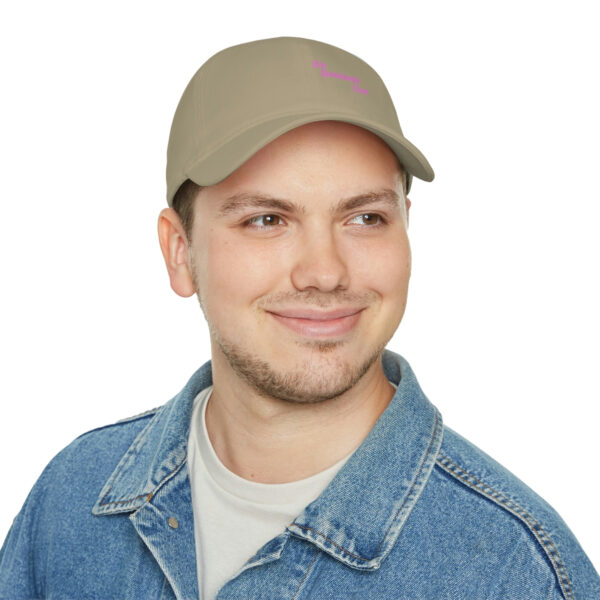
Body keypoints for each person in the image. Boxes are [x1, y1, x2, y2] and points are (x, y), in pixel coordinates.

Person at [0, 35, 598, 600]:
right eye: (267, 219)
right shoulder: (70, 502)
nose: (325, 272)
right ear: (179, 252)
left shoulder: (514, 571)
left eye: (365, 218)